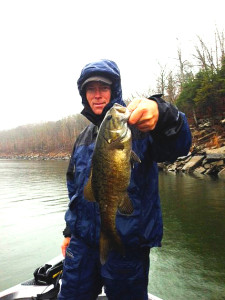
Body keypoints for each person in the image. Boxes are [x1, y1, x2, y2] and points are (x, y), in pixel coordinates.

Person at [58, 59, 192, 300]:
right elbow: (75, 191)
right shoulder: (82, 138)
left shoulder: (141, 128)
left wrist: (163, 114)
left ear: (115, 90)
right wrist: (70, 231)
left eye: (104, 87)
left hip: (127, 249)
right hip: (82, 248)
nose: (97, 95)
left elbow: (180, 146)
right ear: (83, 94)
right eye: (91, 89)